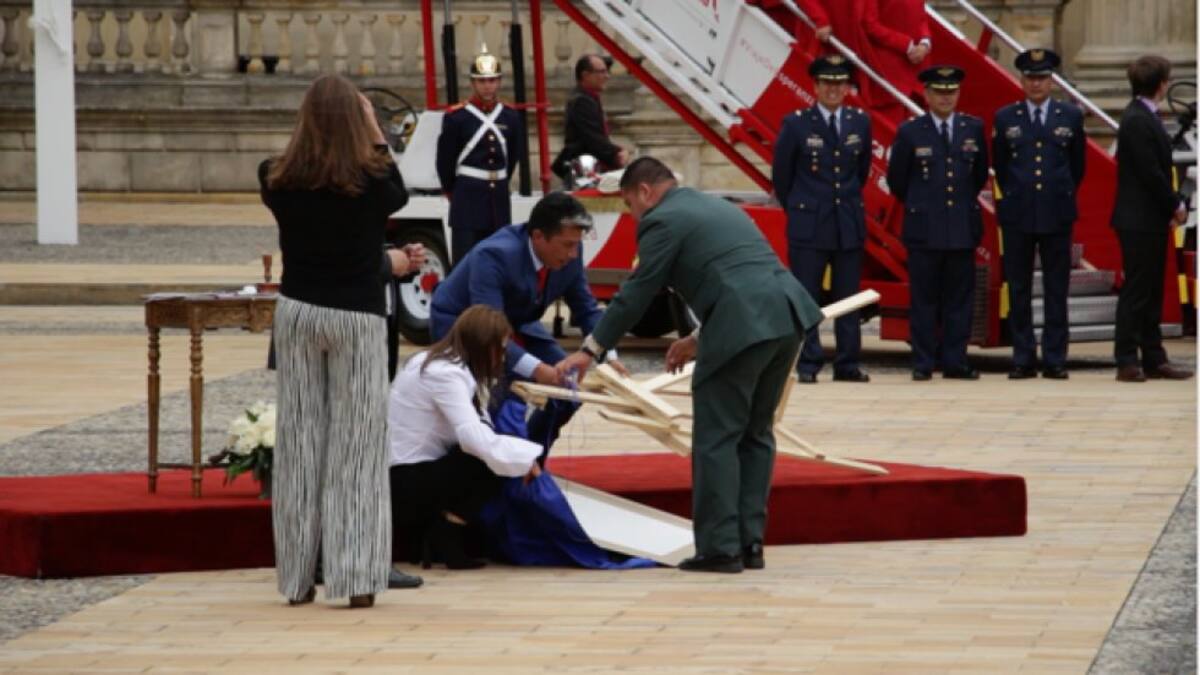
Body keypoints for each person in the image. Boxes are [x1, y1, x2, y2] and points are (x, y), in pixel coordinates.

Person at [558, 157, 824, 574]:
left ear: (645, 192)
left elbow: (637, 292)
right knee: (756, 434)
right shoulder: (716, 206)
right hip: (787, 315)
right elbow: (741, 275)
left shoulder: (661, 220)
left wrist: (590, 350)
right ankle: (750, 543)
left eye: (629, 204)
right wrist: (697, 340)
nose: (633, 214)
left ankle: (720, 548)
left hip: (744, 322)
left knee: (717, 437)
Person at [259, 74, 421, 608]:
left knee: (300, 445)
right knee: (356, 448)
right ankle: (354, 577)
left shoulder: (275, 178)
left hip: (298, 310)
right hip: (357, 314)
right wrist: (375, 128)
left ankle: (297, 577)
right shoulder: (376, 182)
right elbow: (395, 190)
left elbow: (294, 167)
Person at [428, 192, 621, 452]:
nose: (574, 253)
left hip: (518, 323)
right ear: (538, 236)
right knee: (502, 398)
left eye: (577, 244)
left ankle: (530, 459)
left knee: (569, 390)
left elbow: (586, 309)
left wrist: (607, 354)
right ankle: (501, 463)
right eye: (567, 245)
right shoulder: (494, 255)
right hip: (464, 324)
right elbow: (488, 332)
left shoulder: (571, 252)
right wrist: (540, 370)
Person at [388, 305, 543, 569]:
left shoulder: (439, 362)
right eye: (501, 349)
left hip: (408, 474)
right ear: (483, 345)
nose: (503, 358)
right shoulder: (444, 373)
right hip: (404, 482)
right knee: (485, 461)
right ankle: (445, 533)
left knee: (491, 452)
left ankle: (441, 534)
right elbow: (474, 438)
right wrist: (526, 458)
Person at [772, 54, 872, 384]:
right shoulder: (796, 123)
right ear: (815, 87)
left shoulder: (859, 122)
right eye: (827, 83)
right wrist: (802, 207)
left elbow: (862, 171)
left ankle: (847, 364)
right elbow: (782, 177)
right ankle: (808, 363)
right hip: (810, 223)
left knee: (848, 297)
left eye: (839, 83)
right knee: (806, 296)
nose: (833, 89)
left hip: (847, 222)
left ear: (847, 88)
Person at [886, 65, 989, 381]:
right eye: (939, 92)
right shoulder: (911, 131)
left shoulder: (972, 128)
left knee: (959, 300)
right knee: (924, 299)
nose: (945, 98)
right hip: (924, 229)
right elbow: (898, 181)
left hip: (960, 227)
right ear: (927, 94)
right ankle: (923, 361)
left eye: (951, 92)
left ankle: (956, 360)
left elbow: (978, 175)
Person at [992, 49, 1086, 380]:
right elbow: (1002, 167)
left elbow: (1077, 167)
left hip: (1057, 212)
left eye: (1042, 78)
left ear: (1052, 81)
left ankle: (1055, 357)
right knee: (1018, 287)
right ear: (1021, 80)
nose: (1036, 84)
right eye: (1031, 78)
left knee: (1055, 288)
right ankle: (1023, 356)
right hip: (1019, 213)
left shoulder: (1069, 116)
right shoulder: (1006, 117)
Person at [1111, 55, 1194, 382]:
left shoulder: (1144, 117)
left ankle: (1154, 356)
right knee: (1137, 290)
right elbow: (1151, 173)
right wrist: (1174, 204)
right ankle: (1126, 358)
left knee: (1152, 290)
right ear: (1161, 84)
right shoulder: (1136, 120)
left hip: (1148, 219)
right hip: (1138, 220)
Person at [436, 44, 525, 265]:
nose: (487, 86)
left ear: (499, 81)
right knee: (467, 261)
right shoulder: (457, 118)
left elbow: (512, 156)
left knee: (499, 259)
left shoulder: (510, 116)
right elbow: (445, 161)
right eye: (482, 81)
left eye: (492, 80)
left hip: (499, 199)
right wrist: (451, 190)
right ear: (473, 83)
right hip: (468, 197)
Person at [551, 54, 629, 183]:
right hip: (584, 170)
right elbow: (593, 138)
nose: (607, 76)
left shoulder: (588, 98)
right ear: (585, 75)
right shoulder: (581, 101)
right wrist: (617, 153)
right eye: (602, 72)